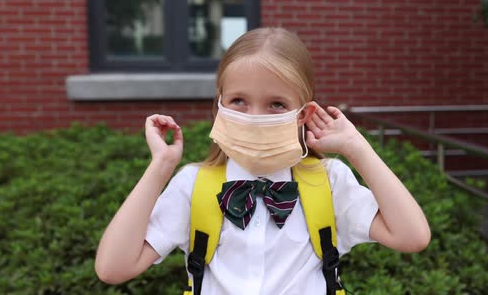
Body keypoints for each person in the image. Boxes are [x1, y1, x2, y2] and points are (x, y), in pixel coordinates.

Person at [95, 27, 431, 294]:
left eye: (276, 105)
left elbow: (411, 236)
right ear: (220, 106)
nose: (254, 116)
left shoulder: (329, 182)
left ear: (304, 114)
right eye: (239, 100)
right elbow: (113, 268)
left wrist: (358, 148)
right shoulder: (192, 184)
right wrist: (160, 168)